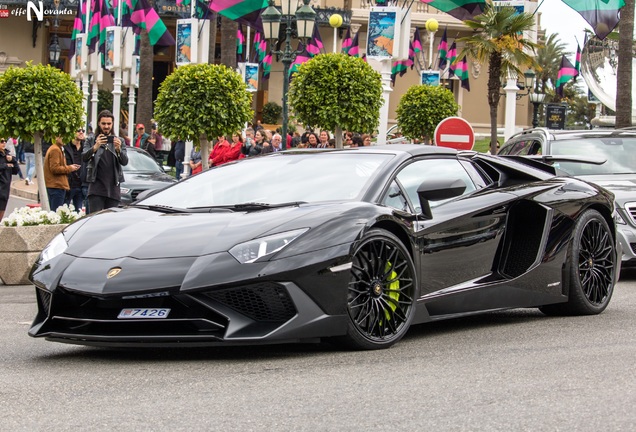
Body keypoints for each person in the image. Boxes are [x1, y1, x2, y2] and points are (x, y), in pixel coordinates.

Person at [82, 110, 128, 213]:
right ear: (99, 123)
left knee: (110, 223)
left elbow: (125, 162)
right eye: (103, 123)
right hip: (96, 188)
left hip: (113, 189)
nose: (106, 126)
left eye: (109, 124)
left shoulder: (120, 140)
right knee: (94, 220)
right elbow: (84, 158)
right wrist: (95, 147)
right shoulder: (91, 140)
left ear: (112, 124)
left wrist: (118, 149)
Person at [44, 135, 80, 212]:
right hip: (56, 186)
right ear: (56, 137)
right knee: (56, 213)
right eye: (62, 136)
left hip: (57, 186)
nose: (65, 139)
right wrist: (70, 168)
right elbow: (55, 168)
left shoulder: (58, 148)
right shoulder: (55, 150)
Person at [64, 128, 86, 212]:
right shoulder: (66, 147)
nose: (81, 132)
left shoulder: (85, 147)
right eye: (78, 130)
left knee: (79, 212)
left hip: (81, 185)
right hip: (69, 184)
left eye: (83, 131)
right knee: (64, 211)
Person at [0, 138, 17, 220]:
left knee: (2, 210)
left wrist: (13, 161)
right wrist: (5, 165)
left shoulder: (7, 155)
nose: (4, 143)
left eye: (4, 141)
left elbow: (15, 170)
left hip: (5, 188)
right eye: (1, 142)